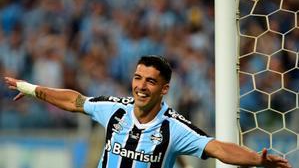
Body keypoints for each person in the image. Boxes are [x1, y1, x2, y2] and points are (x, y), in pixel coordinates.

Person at [5, 55, 291, 168]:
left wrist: (256, 160)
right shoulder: (114, 110)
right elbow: (75, 101)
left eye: (150, 81)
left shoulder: (175, 128)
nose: (141, 86)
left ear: (164, 89)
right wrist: (31, 89)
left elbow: (216, 148)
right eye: (138, 78)